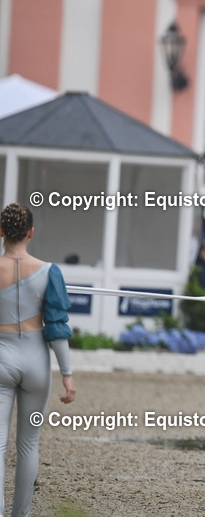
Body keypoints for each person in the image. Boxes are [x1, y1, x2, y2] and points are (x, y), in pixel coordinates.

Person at [0, 203, 76, 517]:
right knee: (29, 445)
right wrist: (67, 373)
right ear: (31, 232)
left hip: (1, 357)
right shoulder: (50, 272)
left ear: (1, 232)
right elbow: (57, 327)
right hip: (36, 362)